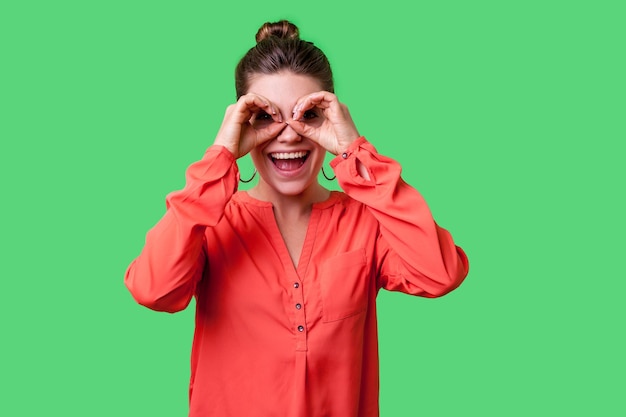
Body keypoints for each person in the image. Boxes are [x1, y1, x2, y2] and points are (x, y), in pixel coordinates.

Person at [125, 19, 469, 417]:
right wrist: (219, 156)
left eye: (308, 115)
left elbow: (441, 273)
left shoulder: (365, 223)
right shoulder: (209, 222)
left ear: (332, 118)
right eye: (264, 116)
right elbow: (153, 289)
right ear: (240, 124)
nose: (288, 135)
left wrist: (355, 152)